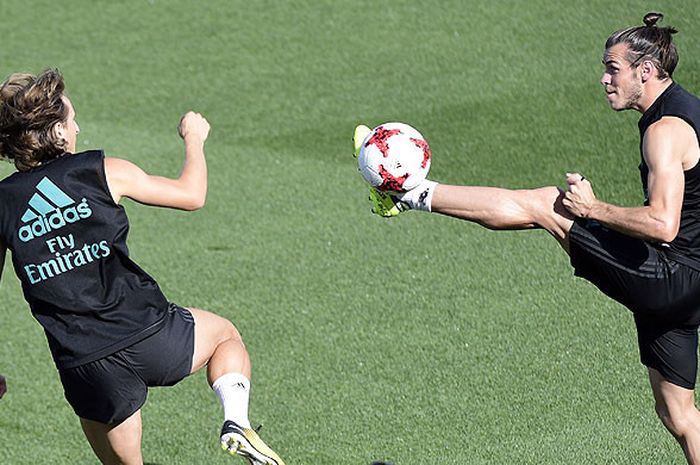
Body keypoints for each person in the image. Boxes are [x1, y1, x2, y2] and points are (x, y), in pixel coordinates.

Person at [355, 12, 700, 465]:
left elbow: (662, 224)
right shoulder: (687, 109)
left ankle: (409, 192)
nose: (603, 78)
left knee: (547, 205)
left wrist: (591, 209)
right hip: (688, 281)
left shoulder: (664, 131)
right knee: (678, 412)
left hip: (669, 275)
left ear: (646, 71)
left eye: (612, 68)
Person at [0, 70, 285, 465]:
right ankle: (236, 420)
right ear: (58, 134)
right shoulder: (102, 171)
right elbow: (192, 194)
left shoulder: (3, 203)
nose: (78, 127)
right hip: (150, 334)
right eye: (72, 119)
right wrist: (194, 139)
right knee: (224, 337)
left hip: (85, 366)